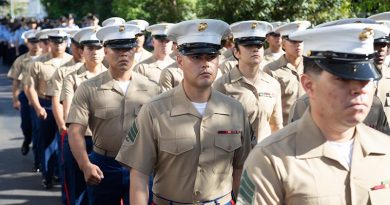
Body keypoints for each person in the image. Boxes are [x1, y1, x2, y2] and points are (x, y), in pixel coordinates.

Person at [237, 23, 390, 204]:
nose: (359, 90)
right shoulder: (271, 159)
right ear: (309, 85)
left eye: (365, 79)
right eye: (343, 79)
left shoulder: (385, 150)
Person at [116, 19, 252, 205]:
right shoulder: (154, 110)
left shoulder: (235, 110)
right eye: (196, 57)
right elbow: (139, 174)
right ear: (180, 60)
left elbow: (240, 168)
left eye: (211, 57)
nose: (205, 64)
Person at [66, 24, 160, 205]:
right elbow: (75, 131)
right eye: (117, 49)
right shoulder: (89, 88)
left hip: (141, 165)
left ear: (135, 50)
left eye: (128, 49)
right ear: (106, 51)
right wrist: (86, 165)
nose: (123, 54)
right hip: (103, 165)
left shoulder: (152, 88)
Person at [214, 20, 283, 143]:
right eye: (248, 46)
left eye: (259, 45)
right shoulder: (222, 85)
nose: (255, 49)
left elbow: (276, 127)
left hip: (264, 157)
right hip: (236, 157)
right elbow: (216, 131)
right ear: (236, 52)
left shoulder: (273, 84)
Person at [60, 26, 107, 205]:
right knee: (78, 191)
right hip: (80, 138)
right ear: (82, 51)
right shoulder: (72, 78)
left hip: (105, 143)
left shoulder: (113, 77)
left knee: (104, 192)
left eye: (98, 48)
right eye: (90, 48)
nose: (95, 52)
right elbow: (69, 113)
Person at [25, 28, 73, 188]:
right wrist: (38, 107)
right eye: (54, 42)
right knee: (46, 142)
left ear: (66, 43)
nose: (58, 46)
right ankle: (47, 175)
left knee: (64, 142)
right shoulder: (37, 62)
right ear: (49, 43)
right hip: (45, 104)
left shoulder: (73, 61)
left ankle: (61, 173)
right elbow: (29, 87)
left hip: (66, 104)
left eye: (61, 42)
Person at [264, 21, 311, 125]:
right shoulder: (271, 69)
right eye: (293, 41)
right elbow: (268, 106)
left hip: (309, 126)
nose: (298, 45)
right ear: (284, 44)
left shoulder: (312, 67)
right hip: (284, 129)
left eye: (300, 41)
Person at [7, 29, 41, 157]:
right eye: (32, 42)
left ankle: (38, 159)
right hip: (26, 96)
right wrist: (15, 99)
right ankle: (27, 140)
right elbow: (16, 81)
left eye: (38, 41)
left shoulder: (47, 58)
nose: (35, 45)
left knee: (39, 130)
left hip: (42, 96)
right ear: (27, 43)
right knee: (27, 126)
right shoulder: (21, 60)